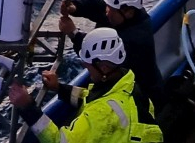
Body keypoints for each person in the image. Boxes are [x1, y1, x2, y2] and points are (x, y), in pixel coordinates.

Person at [9, 28, 163, 143]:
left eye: (88, 65)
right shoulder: (128, 85)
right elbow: (92, 98)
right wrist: (59, 88)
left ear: (103, 67)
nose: (85, 67)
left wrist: (28, 107)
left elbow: (59, 141)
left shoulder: (103, 112)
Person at [61, 0, 166, 110]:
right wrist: (75, 7)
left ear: (128, 12)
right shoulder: (127, 15)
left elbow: (99, 54)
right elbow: (97, 4)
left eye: (111, 9)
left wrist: (74, 34)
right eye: (107, 7)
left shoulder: (134, 40)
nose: (106, 12)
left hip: (140, 104)